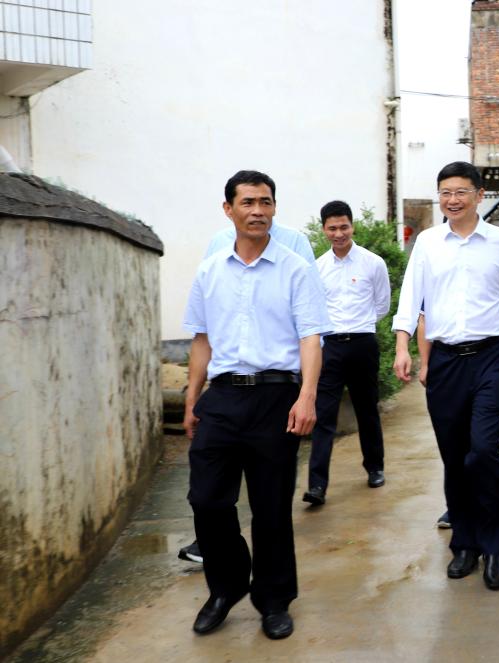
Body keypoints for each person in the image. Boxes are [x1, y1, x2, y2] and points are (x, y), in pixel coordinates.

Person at [182, 170, 331, 639]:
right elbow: (202, 340)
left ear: (274, 208)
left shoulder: (295, 268)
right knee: (206, 499)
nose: (258, 211)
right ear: (228, 209)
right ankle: (226, 587)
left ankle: (273, 599)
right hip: (223, 396)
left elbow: (311, 338)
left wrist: (307, 396)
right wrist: (192, 399)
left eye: (265, 202)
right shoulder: (210, 271)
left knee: (271, 507)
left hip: (276, 396)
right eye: (247, 202)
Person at [392, 161, 499, 591]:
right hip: (445, 363)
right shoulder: (427, 243)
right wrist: (403, 346)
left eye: (460, 192)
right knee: (455, 458)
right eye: (445, 192)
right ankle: (465, 543)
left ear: (478, 195)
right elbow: (410, 299)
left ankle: (495, 546)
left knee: (484, 451)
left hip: (490, 358)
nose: (452, 200)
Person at [302, 200, 391, 506]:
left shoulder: (373, 263)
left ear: (352, 226)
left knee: (367, 409)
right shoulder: (317, 268)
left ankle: (375, 467)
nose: (339, 233)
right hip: (330, 347)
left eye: (344, 227)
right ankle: (317, 485)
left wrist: (360, 325)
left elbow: (382, 305)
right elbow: (314, 308)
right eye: (332, 228)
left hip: (363, 344)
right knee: (324, 415)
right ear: (324, 230)